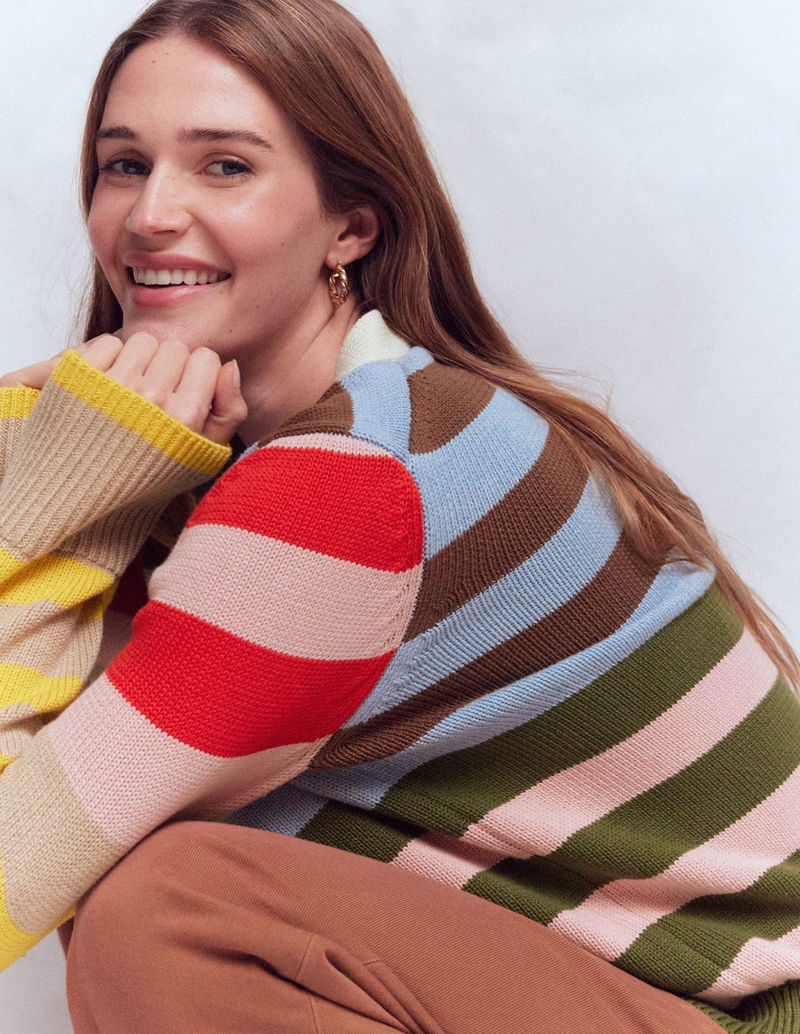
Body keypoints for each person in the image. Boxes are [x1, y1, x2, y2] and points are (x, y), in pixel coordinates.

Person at [0, 0, 798, 1030]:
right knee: (139, 844)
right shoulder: (296, 450)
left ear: (351, 223)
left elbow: (15, 865)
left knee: (167, 905)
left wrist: (52, 512)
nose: (151, 213)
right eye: (124, 164)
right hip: (626, 993)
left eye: (224, 166)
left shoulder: (351, 485)